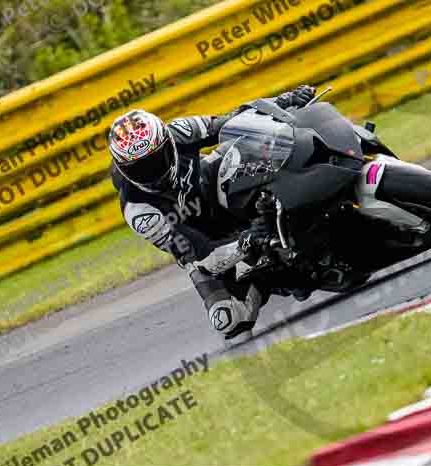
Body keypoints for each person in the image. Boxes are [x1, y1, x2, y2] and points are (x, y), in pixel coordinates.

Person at [108, 85, 317, 340]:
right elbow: (202, 255)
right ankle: (269, 277)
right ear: (123, 169)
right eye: (140, 169)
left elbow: (236, 120)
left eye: (155, 160)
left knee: (243, 149)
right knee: (228, 320)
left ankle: (298, 196)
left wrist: (286, 100)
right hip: (205, 247)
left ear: (167, 144)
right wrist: (247, 241)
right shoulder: (139, 211)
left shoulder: (181, 131)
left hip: (215, 189)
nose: (151, 173)